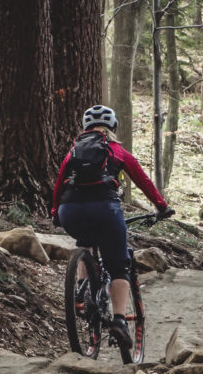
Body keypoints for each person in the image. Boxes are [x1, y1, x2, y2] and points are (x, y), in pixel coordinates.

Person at [51, 105, 174, 350]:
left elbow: (59, 184)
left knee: (85, 242)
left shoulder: (73, 151)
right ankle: (119, 320)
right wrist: (162, 206)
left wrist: (56, 212)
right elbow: (142, 180)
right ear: (113, 127)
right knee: (119, 265)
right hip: (105, 210)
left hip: (70, 211)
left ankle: (82, 291)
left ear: (86, 128)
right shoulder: (117, 150)